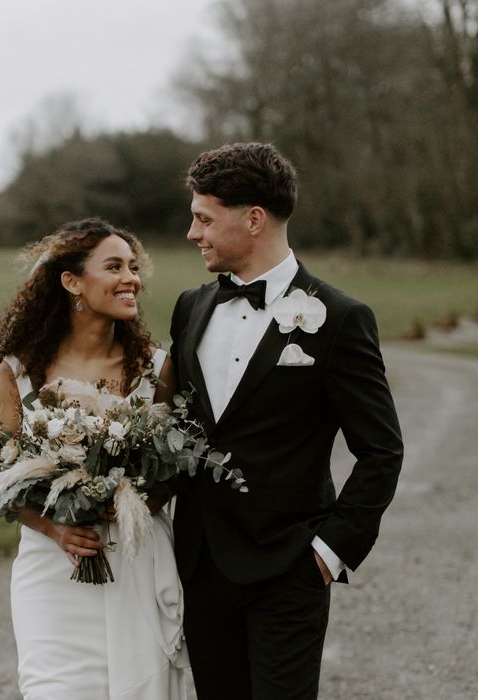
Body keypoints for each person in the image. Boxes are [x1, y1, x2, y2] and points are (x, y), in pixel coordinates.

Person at [170, 142, 404, 700]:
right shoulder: (190, 307)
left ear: (253, 219)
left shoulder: (340, 319)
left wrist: (328, 552)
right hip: (200, 567)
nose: (192, 233)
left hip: (288, 568)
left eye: (204, 218)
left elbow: (381, 450)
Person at [0, 218, 188, 700]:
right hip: (53, 570)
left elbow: (180, 461)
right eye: (113, 266)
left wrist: (142, 501)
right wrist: (57, 529)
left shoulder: (155, 368)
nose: (131, 278)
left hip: (135, 558)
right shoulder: (18, 372)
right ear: (72, 281)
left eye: (133, 268)